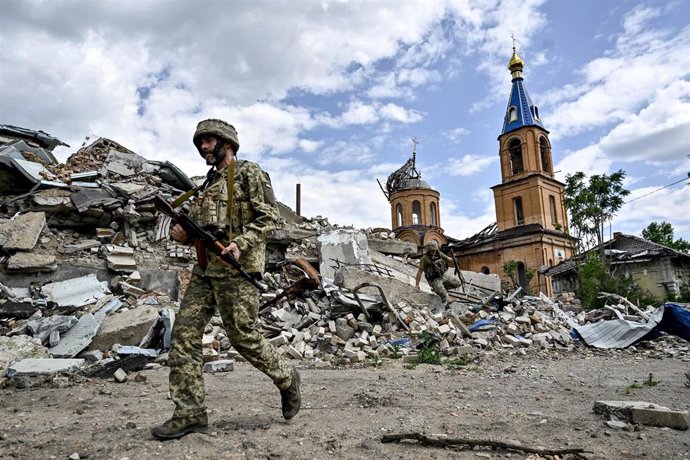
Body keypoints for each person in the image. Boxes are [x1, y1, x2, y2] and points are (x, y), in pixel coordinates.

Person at [151, 119, 301, 440]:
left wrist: (241, 243)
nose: (204, 147)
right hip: (206, 270)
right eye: (200, 142)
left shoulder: (248, 172)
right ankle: (189, 413)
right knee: (184, 335)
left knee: (243, 337)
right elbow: (200, 230)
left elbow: (269, 216)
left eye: (209, 141)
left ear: (227, 143)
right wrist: (183, 235)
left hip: (237, 267)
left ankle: (287, 377)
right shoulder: (206, 186)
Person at [414, 240, 462, 309]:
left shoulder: (439, 253)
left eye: (434, 250)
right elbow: (419, 272)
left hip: (443, 276)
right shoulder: (424, 259)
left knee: (458, 283)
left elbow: (448, 259)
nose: (433, 252)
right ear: (428, 250)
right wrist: (417, 284)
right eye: (431, 251)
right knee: (446, 297)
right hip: (434, 280)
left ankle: (440, 289)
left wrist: (454, 260)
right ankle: (446, 306)